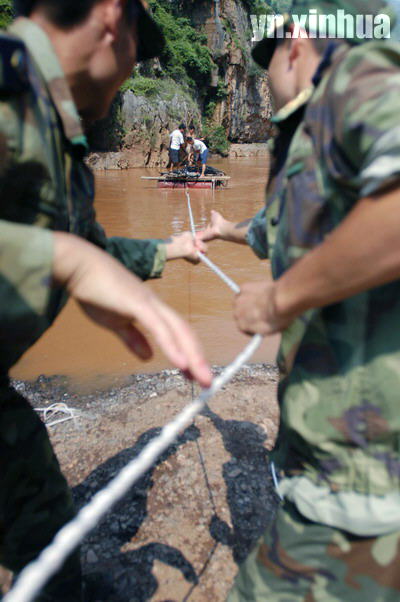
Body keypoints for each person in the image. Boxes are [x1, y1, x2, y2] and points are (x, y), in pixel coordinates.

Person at [0, 1, 212, 600]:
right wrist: (61, 259)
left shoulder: (57, 131)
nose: (130, 74)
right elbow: (73, 257)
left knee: (44, 523)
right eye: (136, 55)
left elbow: (89, 252)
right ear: (112, 18)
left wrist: (170, 251)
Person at [198, 0, 400, 599]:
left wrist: (279, 300)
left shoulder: (360, 77)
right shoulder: (316, 142)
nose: (266, 78)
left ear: (297, 43)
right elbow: (277, 226)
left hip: (360, 488)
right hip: (330, 472)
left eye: (268, 61)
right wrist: (222, 230)